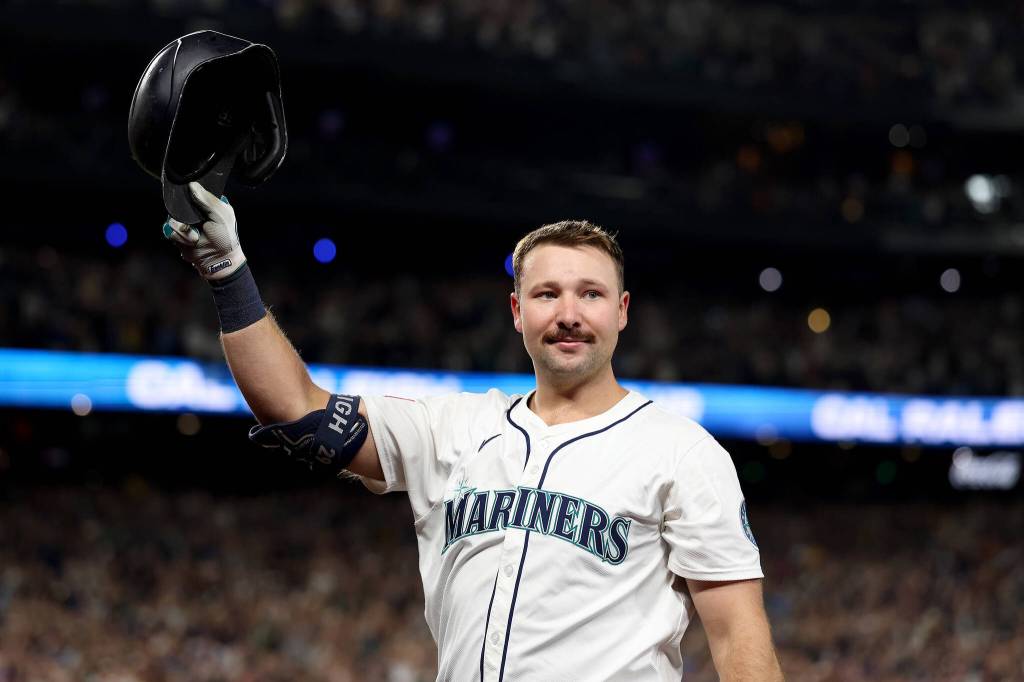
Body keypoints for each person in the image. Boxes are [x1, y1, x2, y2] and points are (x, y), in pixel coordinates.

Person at [163, 181, 785, 681]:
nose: (568, 314)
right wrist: (227, 270)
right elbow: (297, 409)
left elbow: (738, 637)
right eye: (546, 294)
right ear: (517, 312)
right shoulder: (452, 427)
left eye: (590, 294)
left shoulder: (681, 450)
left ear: (621, 312)